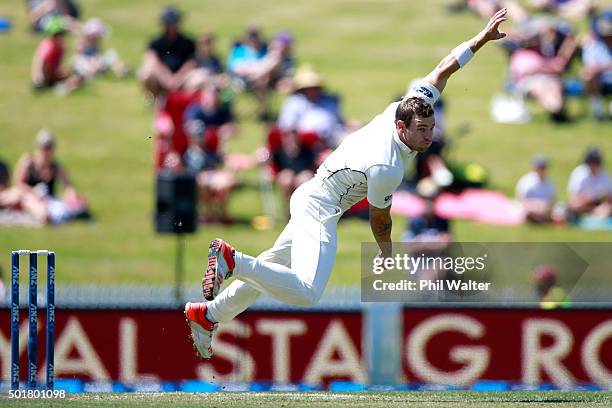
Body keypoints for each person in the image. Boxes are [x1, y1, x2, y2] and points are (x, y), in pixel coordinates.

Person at [184, 9, 509, 359]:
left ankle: (209, 314)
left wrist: (480, 40)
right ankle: (233, 262)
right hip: (321, 208)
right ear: (402, 128)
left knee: (272, 268)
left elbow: (444, 68)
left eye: (431, 129)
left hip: (310, 193)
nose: (429, 137)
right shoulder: (387, 166)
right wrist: (386, 253)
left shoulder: (409, 104)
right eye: (422, 130)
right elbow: (380, 219)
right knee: (307, 292)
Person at [182, 84, 238, 223]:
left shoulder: (222, 113)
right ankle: (209, 213)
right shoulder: (194, 112)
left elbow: (233, 129)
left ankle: (221, 213)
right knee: (201, 182)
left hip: (213, 167)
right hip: (197, 171)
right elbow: (191, 129)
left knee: (228, 180)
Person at [12, 129, 89, 224]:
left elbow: (68, 186)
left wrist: (73, 196)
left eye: (49, 147)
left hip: (49, 200)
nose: (46, 151)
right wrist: (34, 191)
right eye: (44, 147)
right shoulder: (28, 162)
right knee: (39, 210)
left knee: (71, 206)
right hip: (28, 197)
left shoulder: (56, 167)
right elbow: (18, 184)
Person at [277, 65, 346, 149]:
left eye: (314, 88)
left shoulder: (329, 102)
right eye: (309, 88)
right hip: (305, 144)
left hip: (333, 137)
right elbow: (286, 126)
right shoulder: (294, 103)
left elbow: (340, 121)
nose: (312, 91)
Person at [138, 6, 196, 99]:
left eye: (174, 23)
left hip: (183, 79)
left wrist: (178, 78)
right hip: (161, 79)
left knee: (200, 78)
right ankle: (155, 98)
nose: (171, 26)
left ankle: (186, 102)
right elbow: (151, 60)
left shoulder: (188, 42)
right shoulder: (155, 42)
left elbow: (192, 62)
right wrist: (167, 78)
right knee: (145, 75)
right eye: (169, 23)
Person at [582, 11, 612, 121]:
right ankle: (597, 110)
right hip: (602, 82)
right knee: (588, 76)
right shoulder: (593, 45)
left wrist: (603, 67)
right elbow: (590, 68)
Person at [567, 147, 612, 219]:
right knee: (576, 206)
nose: (593, 165)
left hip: (598, 204)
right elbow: (572, 198)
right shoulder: (579, 173)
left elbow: (610, 197)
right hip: (583, 204)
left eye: (596, 162)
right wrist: (586, 199)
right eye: (591, 162)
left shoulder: (604, 175)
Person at [31, 16, 70, 89]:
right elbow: (38, 62)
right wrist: (37, 78)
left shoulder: (61, 47)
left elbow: (60, 63)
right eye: (59, 34)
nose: (61, 37)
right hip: (45, 75)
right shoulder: (48, 46)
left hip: (54, 73)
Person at [515, 154, 557, 223]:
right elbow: (521, 199)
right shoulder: (526, 181)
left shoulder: (549, 182)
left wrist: (544, 207)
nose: (542, 170)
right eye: (540, 167)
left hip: (544, 209)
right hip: (530, 207)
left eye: (544, 167)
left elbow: (553, 200)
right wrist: (535, 205)